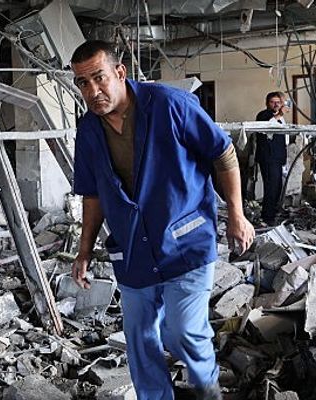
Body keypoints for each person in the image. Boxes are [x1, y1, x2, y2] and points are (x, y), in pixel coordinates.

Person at [69, 40, 254, 400]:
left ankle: (207, 389)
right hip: (133, 249)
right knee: (139, 339)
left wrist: (236, 213)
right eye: (82, 83)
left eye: (99, 78)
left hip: (185, 244)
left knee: (184, 331)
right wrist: (84, 250)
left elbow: (224, 153)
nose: (92, 91)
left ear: (119, 73)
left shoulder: (170, 105)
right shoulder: (89, 131)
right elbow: (92, 194)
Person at [255, 92, 288, 226]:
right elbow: (266, 127)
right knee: (271, 187)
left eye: (278, 102)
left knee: (277, 187)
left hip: (278, 158)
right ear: (267, 103)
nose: (275, 105)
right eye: (272, 102)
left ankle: (273, 213)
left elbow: (283, 139)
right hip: (268, 158)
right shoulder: (263, 115)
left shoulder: (280, 119)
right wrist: (280, 114)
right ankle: (267, 217)